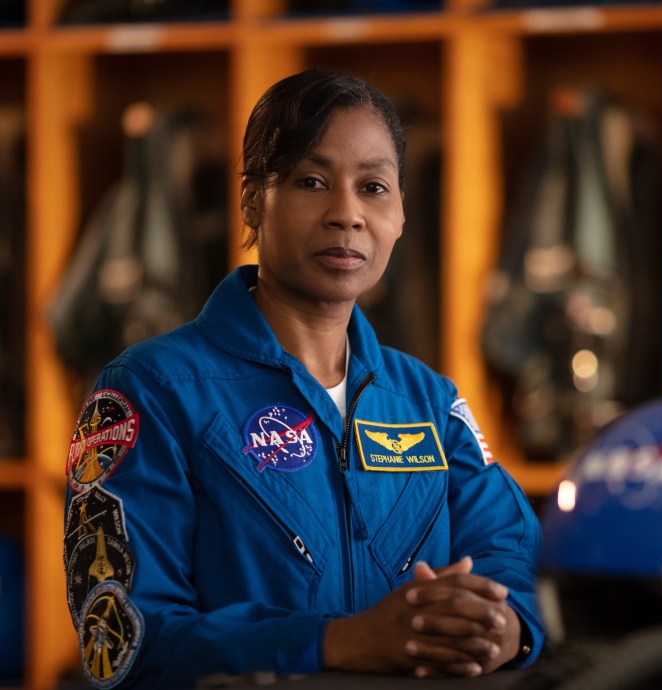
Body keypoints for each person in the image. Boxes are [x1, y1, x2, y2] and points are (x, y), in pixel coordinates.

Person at [62, 68, 544, 689]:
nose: (347, 214)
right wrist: (335, 643)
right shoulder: (149, 392)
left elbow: (508, 550)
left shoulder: (427, 400)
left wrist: (507, 626)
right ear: (251, 200)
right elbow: (120, 639)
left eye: (374, 187)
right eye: (312, 182)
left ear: (400, 213)